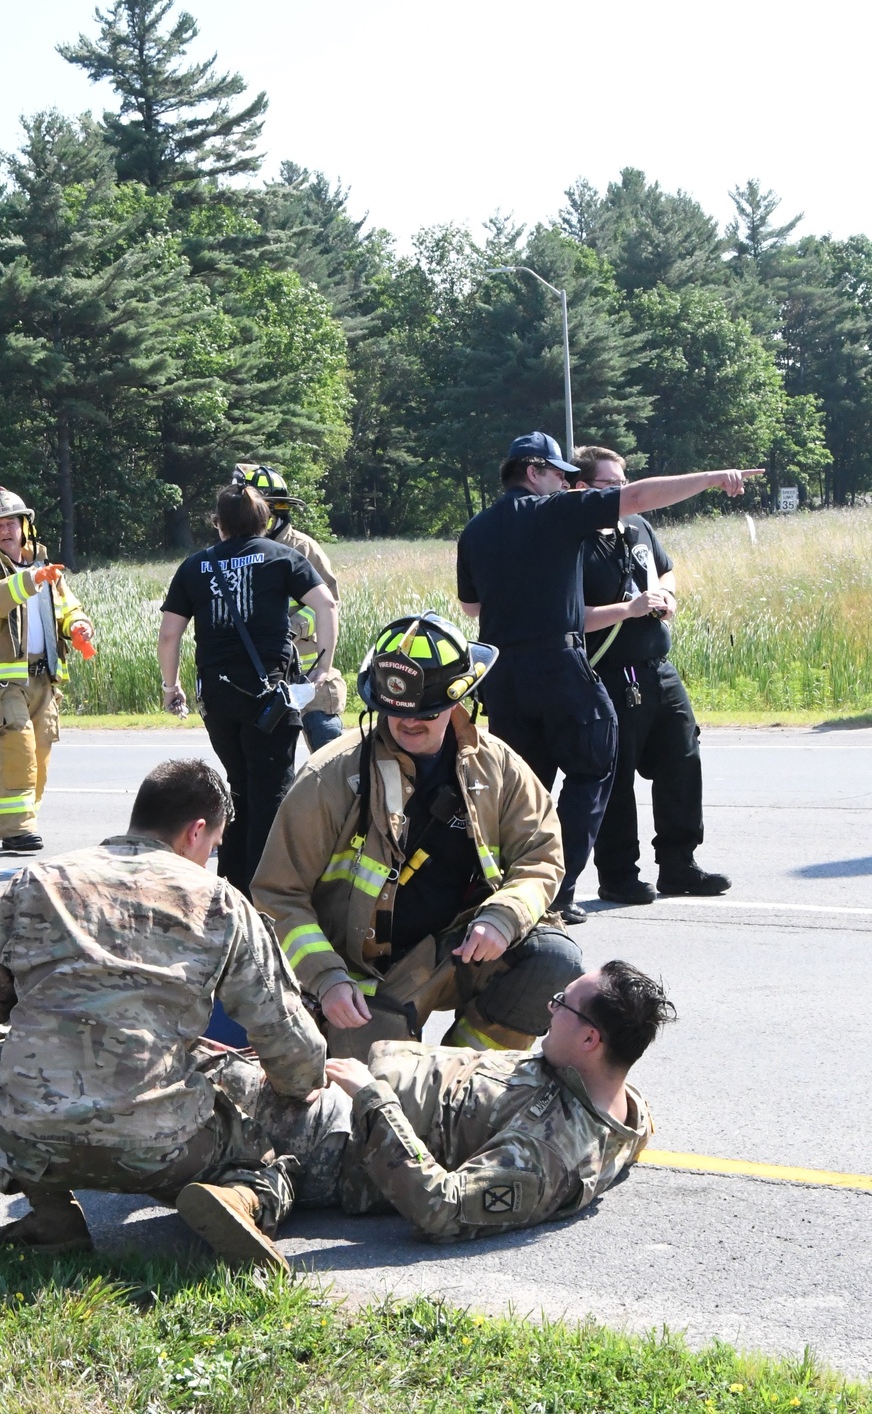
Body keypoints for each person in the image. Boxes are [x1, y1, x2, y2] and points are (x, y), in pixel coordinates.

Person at [0, 759, 327, 1264]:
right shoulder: (221, 905)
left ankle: (52, 1215)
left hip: (30, 1138)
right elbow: (297, 1060)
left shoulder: (33, 884)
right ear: (197, 831)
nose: (210, 860)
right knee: (267, 1156)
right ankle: (240, 1198)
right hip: (163, 1148)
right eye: (213, 848)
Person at [177, 960, 675, 1261]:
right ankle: (257, 1187)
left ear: (592, 1038)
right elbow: (634, 1127)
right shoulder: (616, 1099)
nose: (550, 1008)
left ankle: (252, 1187)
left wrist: (371, 1099)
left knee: (190, 1075)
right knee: (212, 1081)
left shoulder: (549, 1155)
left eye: (562, 1004)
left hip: (343, 1132)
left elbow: (445, 1210)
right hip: (353, 1097)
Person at [456, 431, 761, 923]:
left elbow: (472, 606)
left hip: (502, 673)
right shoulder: (554, 512)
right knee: (596, 768)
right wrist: (711, 479)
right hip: (557, 663)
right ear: (534, 473)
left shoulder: (475, 529)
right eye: (559, 474)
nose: (565, 483)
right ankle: (559, 888)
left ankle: (515, 888)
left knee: (523, 786)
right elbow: (638, 496)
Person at [251, 611, 580, 1061]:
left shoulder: (496, 766)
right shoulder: (331, 777)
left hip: (464, 949)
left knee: (553, 960)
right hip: (368, 980)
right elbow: (277, 894)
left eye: (426, 713)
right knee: (379, 1096)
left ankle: (468, 1081)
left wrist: (502, 917)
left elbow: (541, 853)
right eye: (394, 712)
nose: (408, 724)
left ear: (460, 697)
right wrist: (325, 977)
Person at [157, 482, 339, 897]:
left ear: (218, 524)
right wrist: (322, 667)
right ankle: (266, 889)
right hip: (269, 694)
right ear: (265, 520)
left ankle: (233, 883)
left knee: (236, 783)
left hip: (218, 697)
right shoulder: (283, 558)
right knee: (271, 788)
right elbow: (326, 605)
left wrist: (172, 687)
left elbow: (170, 634)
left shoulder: (194, 566)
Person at [573, 445, 730, 903]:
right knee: (616, 777)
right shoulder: (571, 542)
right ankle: (619, 874)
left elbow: (666, 571)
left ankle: (679, 864)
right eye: (612, 485)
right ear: (583, 488)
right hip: (609, 675)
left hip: (658, 667)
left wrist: (666, 596)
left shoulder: (637, 525)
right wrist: (630, 608)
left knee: (683, 760)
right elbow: (570, 617)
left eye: (625, 482)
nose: (624, 492)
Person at [0, 484, 94, 853]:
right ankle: (16, 830)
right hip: (2, 681)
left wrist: (79, 627)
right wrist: (31, 580)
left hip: (43, 678)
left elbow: (68, 608)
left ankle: (26, 818)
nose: (5, 529)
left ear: (24, 526)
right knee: (18, 750)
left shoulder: (44, 567)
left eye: (11, 522)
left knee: (41, 755)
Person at [233, 462, 348, 752]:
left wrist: (290, 628)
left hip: (309, 677)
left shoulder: (302, 549)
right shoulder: (236, 553)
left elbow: (329, 604)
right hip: (262, 678)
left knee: (330, 756)